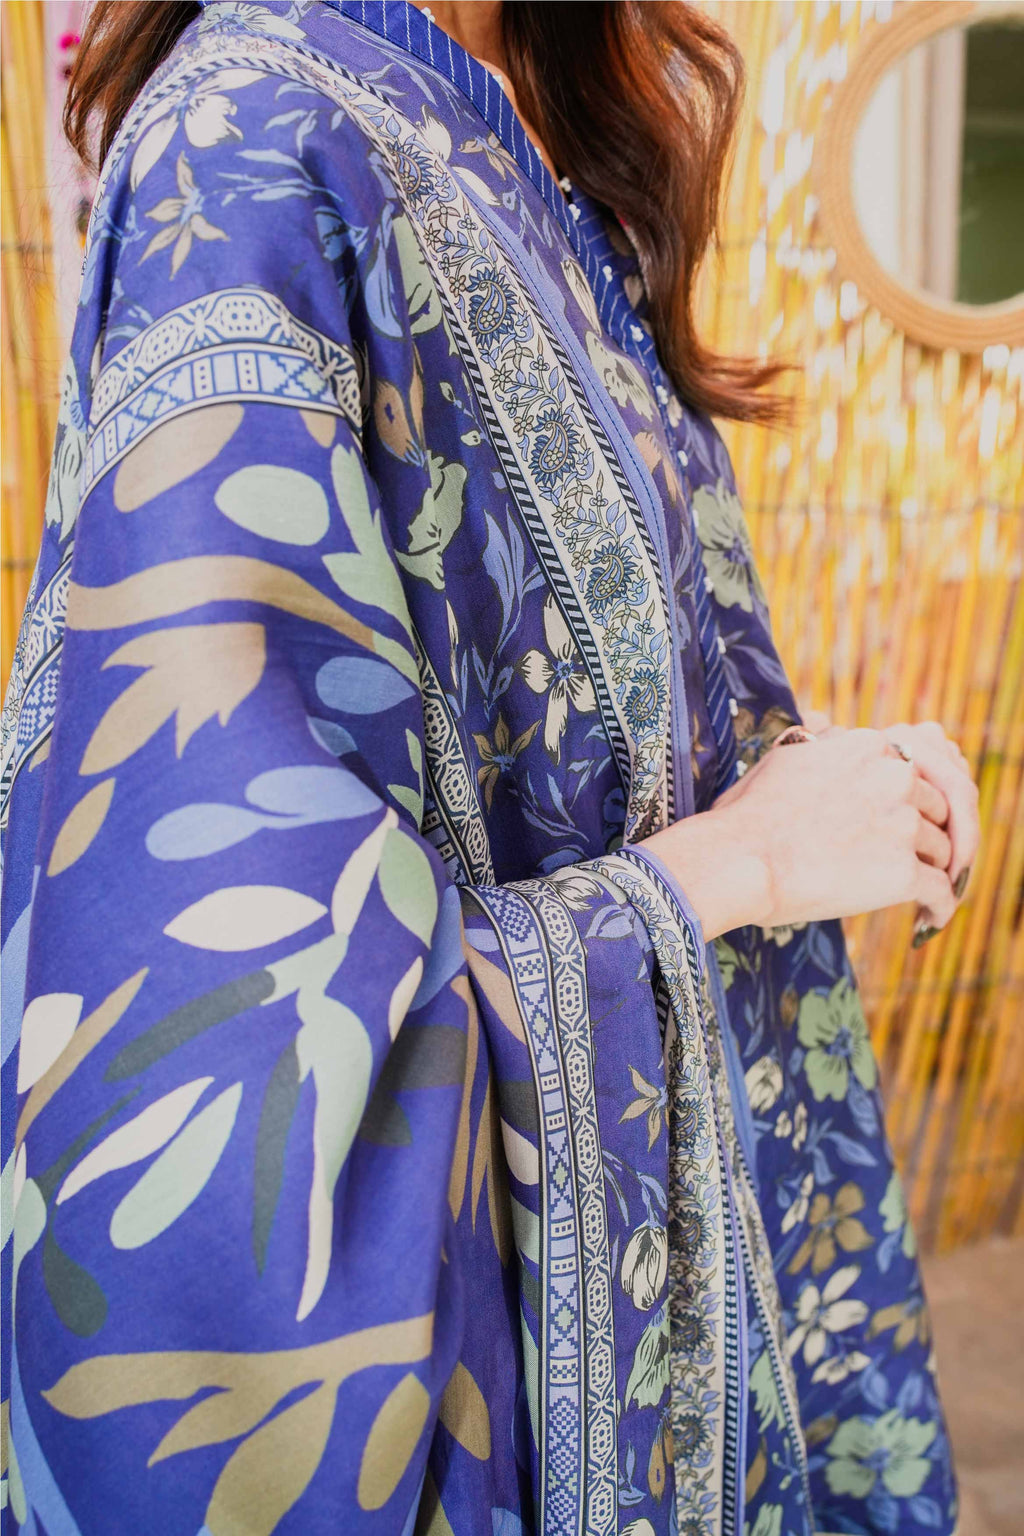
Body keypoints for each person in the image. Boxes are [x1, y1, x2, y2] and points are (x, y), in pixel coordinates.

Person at [0, 3, 979, 1533]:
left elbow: (599, 735)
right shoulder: (251, 148)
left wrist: (816, 780)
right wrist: (749, 865)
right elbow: (219, 1071)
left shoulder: (549, 139)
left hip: (700, 1356)